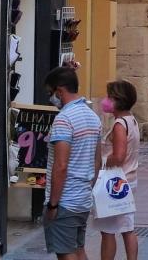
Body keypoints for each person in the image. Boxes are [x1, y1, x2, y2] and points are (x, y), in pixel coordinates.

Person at [43, 66, 102, 260]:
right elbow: (97, 160)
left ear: (60, 91)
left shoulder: (64, 120)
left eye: (51, 93)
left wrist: (53, 205)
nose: (51, 98)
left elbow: (60, 166)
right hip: (83, 198)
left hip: (65, 200)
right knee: (78, 249)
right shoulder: (92, 116)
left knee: (66, 253)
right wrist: (86, 187)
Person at [95, 80, 141, 260]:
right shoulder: (132, 121)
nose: (106, 100)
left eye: (109, 97)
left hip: (116, 182)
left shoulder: (120, 124)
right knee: (126, 227)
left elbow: (119, 156)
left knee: (109, 231)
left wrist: (103, 161)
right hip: (128, 180)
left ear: (118, 100)